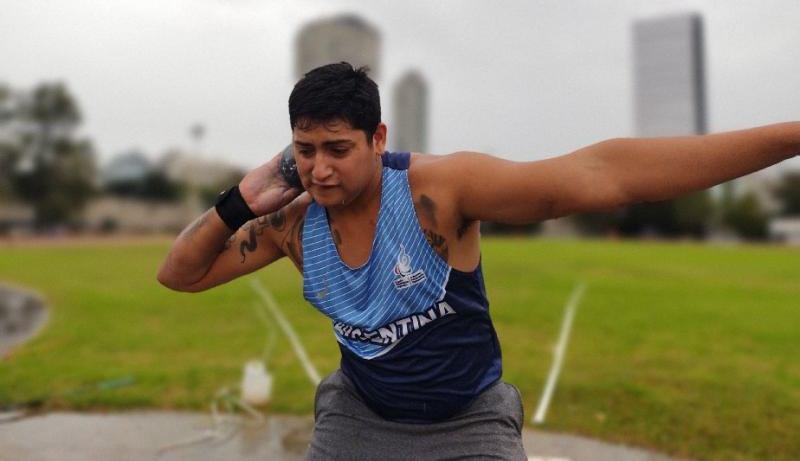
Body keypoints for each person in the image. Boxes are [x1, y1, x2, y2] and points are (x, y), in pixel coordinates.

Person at [157, 62, 799, 460]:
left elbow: (603, 176)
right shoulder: (291, 224)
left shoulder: (440, 190)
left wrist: (792, 136)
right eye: (304, 149)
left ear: (379, 139)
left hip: (467, 421)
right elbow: (179, 275)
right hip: (359, 414)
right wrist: (239, 201)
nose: (319, 169)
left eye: (338, 148)